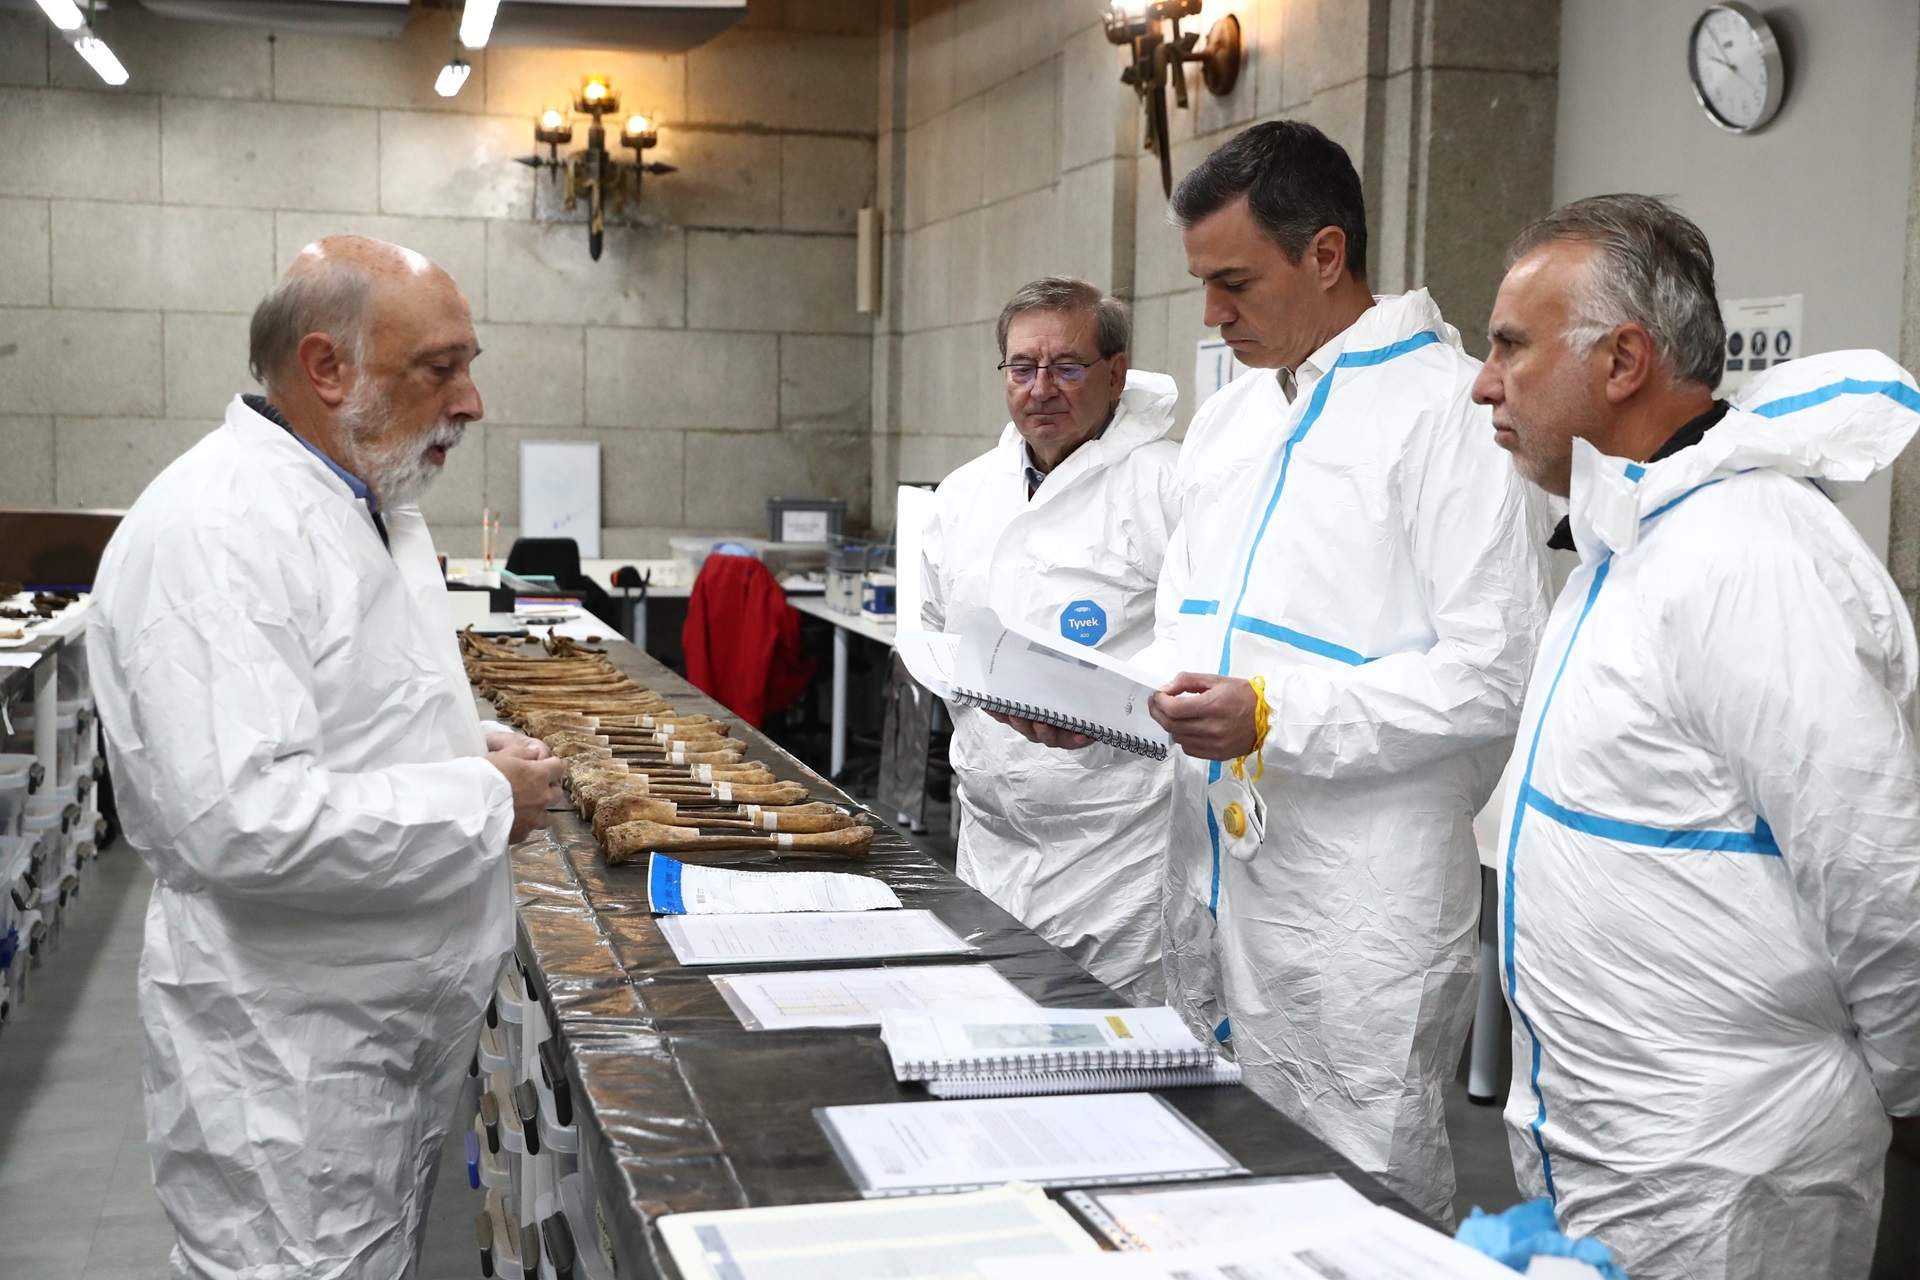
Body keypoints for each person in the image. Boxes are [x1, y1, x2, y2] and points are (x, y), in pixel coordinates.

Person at [87, 235, 568, 1278]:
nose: (471, 400)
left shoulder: (365, 502)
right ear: (325, 366)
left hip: (367, 1030)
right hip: (289, 1056)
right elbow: (242, 819)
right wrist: (482, 800)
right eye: (439, 368)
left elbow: (346, 714)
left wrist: (461, 744)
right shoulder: (218, 528)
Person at [1474, 193, 1920, 1280]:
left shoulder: (1749, 558)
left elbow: (1878, 873)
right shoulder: (1635, 538)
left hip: (1726, 1173)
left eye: (1510, 346)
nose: (1484, 381)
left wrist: (1908, 1104)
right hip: (1615, 1147)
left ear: (1624, 359)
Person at [1141, 121, 1551, 1219]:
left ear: (1327, 254)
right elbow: (1185, 626)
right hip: (1216, 873)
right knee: (1214, 1157)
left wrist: (1276, 710)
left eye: (1234, 281)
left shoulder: (1450, 412)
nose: (1213, 315)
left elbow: (1496, 670)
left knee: (1357, 1169)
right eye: (1203, 285)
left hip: (1357, 894)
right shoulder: (1229, 424)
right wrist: (1107, 700)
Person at [920, 277, 1180, 1003]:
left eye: (1066, 367)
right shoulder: (966, 493)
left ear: (1116, 373)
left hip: (1120, 847)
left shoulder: (1171, 485)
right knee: (993, 1040)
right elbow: (939, 626)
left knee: (1111, 1056)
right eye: (1021, 368)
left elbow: (1206, 643)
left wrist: (1101, 701)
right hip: (990, 838)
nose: (1041, 389)